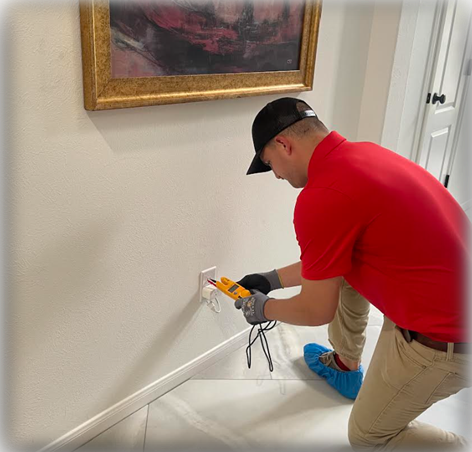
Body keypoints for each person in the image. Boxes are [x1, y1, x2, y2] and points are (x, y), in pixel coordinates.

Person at [234, 97, 472, 451]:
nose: (278, 175)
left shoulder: (321, 196)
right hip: (444, 304)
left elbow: (317, 310)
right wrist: (272, 279)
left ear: (284, 145)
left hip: (444, 340)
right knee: (342, 275)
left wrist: (263, 308)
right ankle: (346, 365)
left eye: (271, 164)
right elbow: (332, 261)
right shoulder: (363, 155)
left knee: (368, 437)